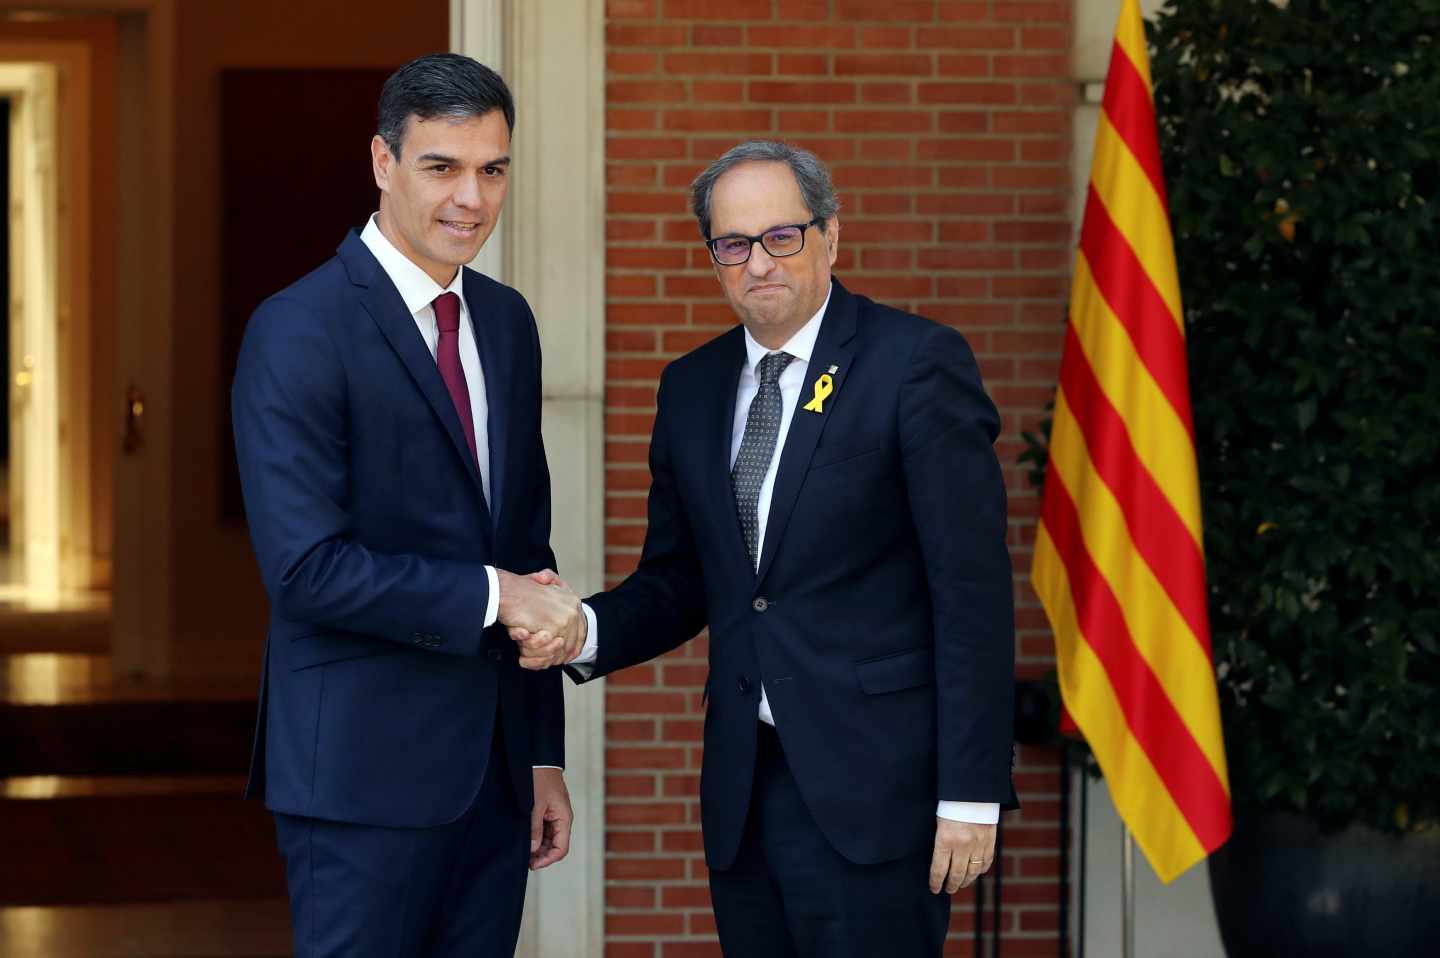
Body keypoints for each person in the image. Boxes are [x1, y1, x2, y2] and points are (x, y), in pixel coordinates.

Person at [518, 139, 1017, 957]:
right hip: (747, 790)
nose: (759, 262)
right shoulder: (692, 386)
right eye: (734, 244)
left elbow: (971, 595)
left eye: (781, 236)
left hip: (879, 791)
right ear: (714, 257)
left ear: (830, 236)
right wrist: (585, 630)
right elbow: (683, 580)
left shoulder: (914, 364)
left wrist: (970, 794)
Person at [231, 53, 584, 958]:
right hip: (357, 781)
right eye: (443, 167)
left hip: (496, 781)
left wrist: (540, 755)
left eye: (493, 169)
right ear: (384, 163)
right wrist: (495, 597)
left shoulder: (506, 323)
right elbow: (307, 570)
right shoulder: (298, 326)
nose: (472, 198)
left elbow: (524, 545)